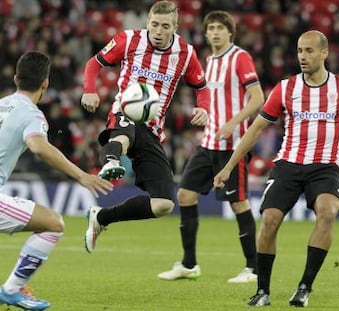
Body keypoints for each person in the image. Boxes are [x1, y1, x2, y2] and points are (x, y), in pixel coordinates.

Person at [213, 30, 339, 307]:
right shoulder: (286, 88)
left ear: (324, 53)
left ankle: (305, 287)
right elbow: (256, 129)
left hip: (326, 167)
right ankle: (263, 291)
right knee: (270, 220)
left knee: (328, 213)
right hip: (288, 164)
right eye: (299, 51)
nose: (302, 57)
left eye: (309, 51)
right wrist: (228, 166)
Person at [81, 1, 209, 253]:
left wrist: (203, 108)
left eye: (165, 26)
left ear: (175, 27)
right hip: (124, 111)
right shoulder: (128, 40)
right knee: (125, 130)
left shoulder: (186, 53)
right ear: (147, 22)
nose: (158, 31)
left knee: (163, 205)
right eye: (154, 24)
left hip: (152, 130)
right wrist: (89, 91)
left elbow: (201, 87)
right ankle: (111, 161)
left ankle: (101, 218)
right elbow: (94, 63)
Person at [0, 51, 113, 310]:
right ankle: (12, 289)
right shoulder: (31, 114)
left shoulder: (2, 104)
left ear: (16, 78)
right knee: (53, 223)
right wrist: (82, 175)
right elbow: (39, 147)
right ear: (45, 83)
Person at [157, 11, 264, 283]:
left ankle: (253, 268)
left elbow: (257, 99)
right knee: (185, 195)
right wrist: (204, 112)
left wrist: (233, 121)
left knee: (238, 203)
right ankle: (189, 264)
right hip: (209, 143)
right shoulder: (209, 61)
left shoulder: (240, 58)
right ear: (206, 34)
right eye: (211, 28)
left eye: (220, 28)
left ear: (230, 32)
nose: (215, 32)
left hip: (234, 144)